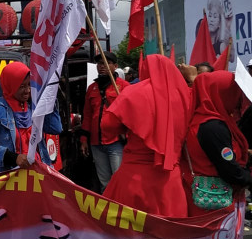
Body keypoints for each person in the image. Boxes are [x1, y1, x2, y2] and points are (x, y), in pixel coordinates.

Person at [101, 55, 191, 216]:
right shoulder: (187, 95)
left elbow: (107, 127)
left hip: (135, 178)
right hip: (170, 180)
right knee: (169, 235)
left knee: (127, 235)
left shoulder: (133, 92)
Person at [185, 71, 251, 216]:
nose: (239, 97)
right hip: (216, 204)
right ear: (222, 93)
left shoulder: (205, 119)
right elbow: (230, 170)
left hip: (210, 200)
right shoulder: (213, 127)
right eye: (234, 91)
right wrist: (248, 177)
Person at [0, 62, 52, 174]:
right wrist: (13, 158)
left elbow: (56, 128)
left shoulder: (34, 108)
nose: (27, 90)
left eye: (29, 85)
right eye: (22, 86)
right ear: (10, 86)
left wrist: (51, 98)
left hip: (36, 176)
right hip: (8, 179)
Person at [80, 51, 131, 192]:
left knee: (119, 180)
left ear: (115, 66)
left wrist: (126, 135)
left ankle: (123, 211)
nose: (102, 66)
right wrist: (84, 139)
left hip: (116, 143)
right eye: (99, 63)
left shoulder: (124, 87)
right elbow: (87, 115)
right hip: (96, 144)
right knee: (105, 183)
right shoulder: (92, 89)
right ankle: (109, 212)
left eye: (106, 63)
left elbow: (132, 115)